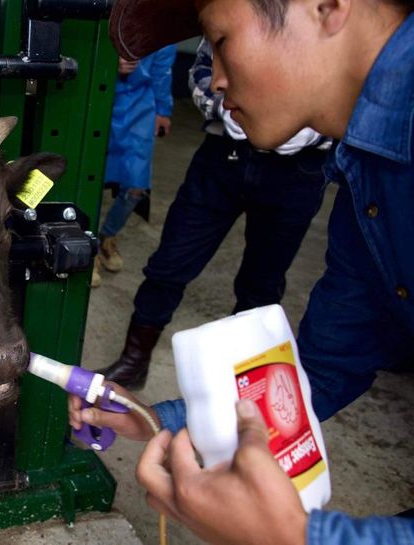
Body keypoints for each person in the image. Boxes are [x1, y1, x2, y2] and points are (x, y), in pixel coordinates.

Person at [72, 0, 414, 542]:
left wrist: (298, 536)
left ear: (326, 7)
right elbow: (322, 372)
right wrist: (165, 419)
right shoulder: (363, 172)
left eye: (222, 39)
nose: (215, 79)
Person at [97, 37, 329, 389]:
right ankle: (133, 363)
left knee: (261, 286)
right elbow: (202, 68)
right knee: (169, 264)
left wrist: (303, 126)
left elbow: (350, 92)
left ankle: (246, 384)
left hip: (298, 170)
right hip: (224, 155)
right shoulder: (235, 18)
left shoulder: (337, 28)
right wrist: (226, 107)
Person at [94, 46, 176, 288]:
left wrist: (163, 110)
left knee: (136, 186)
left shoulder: (162, 28)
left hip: (140, 106)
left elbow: (162, 69)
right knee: (91, 179)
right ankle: (87, 249)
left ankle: (107, 236)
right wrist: (109, 61)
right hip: (100, 97)